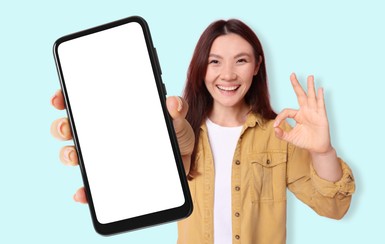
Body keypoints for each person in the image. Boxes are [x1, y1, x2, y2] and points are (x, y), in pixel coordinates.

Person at [51, 19, 355, 244]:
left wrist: (322, 151)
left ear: (257, 66)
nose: (228, 74)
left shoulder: (279, 135)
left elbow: (334, 207)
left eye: (241, 60)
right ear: (201, 67)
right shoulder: (177, 131)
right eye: (214, 62)